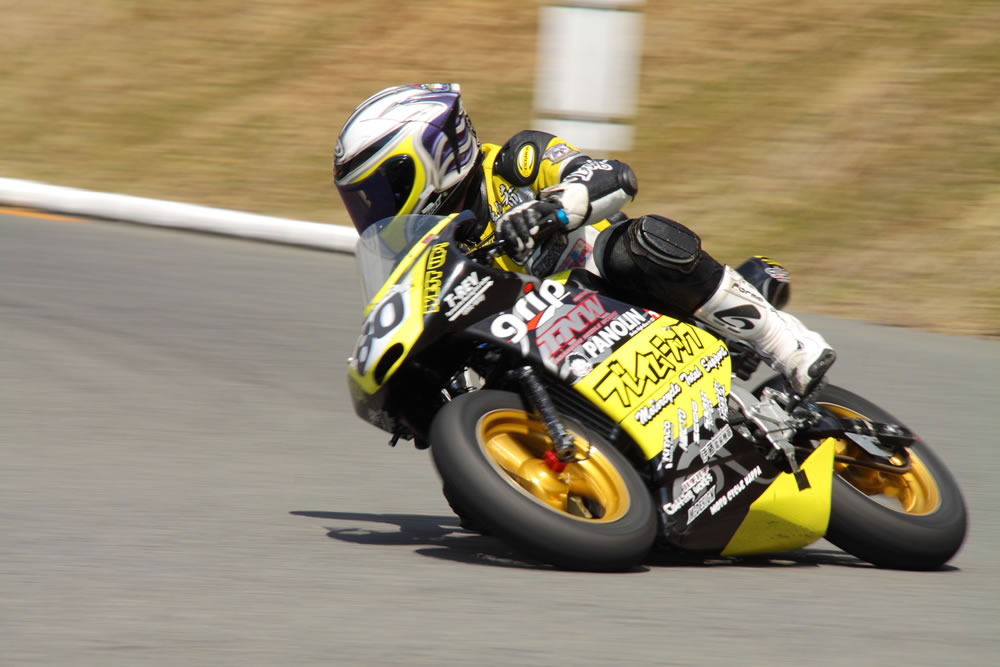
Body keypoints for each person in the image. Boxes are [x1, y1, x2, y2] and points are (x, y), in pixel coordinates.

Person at [333, 83, 835, 395]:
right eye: (362, 201)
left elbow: (611, 176)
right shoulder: (431, 250)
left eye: (380, 191)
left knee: (631, 245)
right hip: (547, 347)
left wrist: (551, 209)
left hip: (616, 294)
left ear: (431, 155)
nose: (373, 211)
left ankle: (785, 341)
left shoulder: (514, 161)